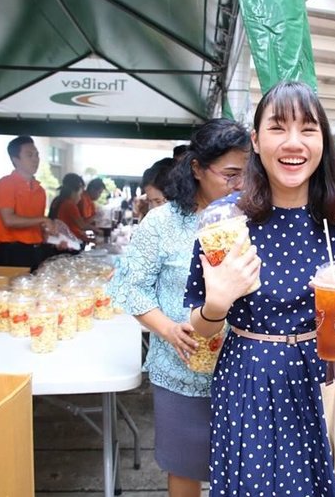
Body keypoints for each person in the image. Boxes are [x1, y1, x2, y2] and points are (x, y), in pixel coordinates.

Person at [185, 81, 335, 496]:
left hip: (322, 377)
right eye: (278, 127)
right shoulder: (224, 220)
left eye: (308, 129)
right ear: (255, 140)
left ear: (323, 140)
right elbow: (200, 325)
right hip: (248, 378)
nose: (293, 142)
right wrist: (217, 303)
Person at [108, 118, 250, 497]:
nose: (240, 184)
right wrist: (168, 329)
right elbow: (131, 288)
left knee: (242, 469)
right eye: (230, 174)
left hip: (243, 371)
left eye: (247, 174)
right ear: (197, 168)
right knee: (184, 468)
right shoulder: (163, 223)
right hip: (180, 368)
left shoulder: (252, 219)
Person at [0, 136, 57, 271]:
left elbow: (37, 227)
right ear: (16, 159)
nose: (35, 159)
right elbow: (9, 220)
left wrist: (54, 238)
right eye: (29, 155)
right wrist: (43, 219)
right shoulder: (5, 184)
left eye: (37, 155)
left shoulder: (40, 190)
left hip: (37, 250)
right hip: (13, 252)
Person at [48, 173, 96, 244]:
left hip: (60, 240)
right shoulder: (70, 204)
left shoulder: (57, 200)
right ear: (73, 192)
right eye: (80, 194)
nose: (80, 198)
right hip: (69, 242)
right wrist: (98, 230)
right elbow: (82, 226)